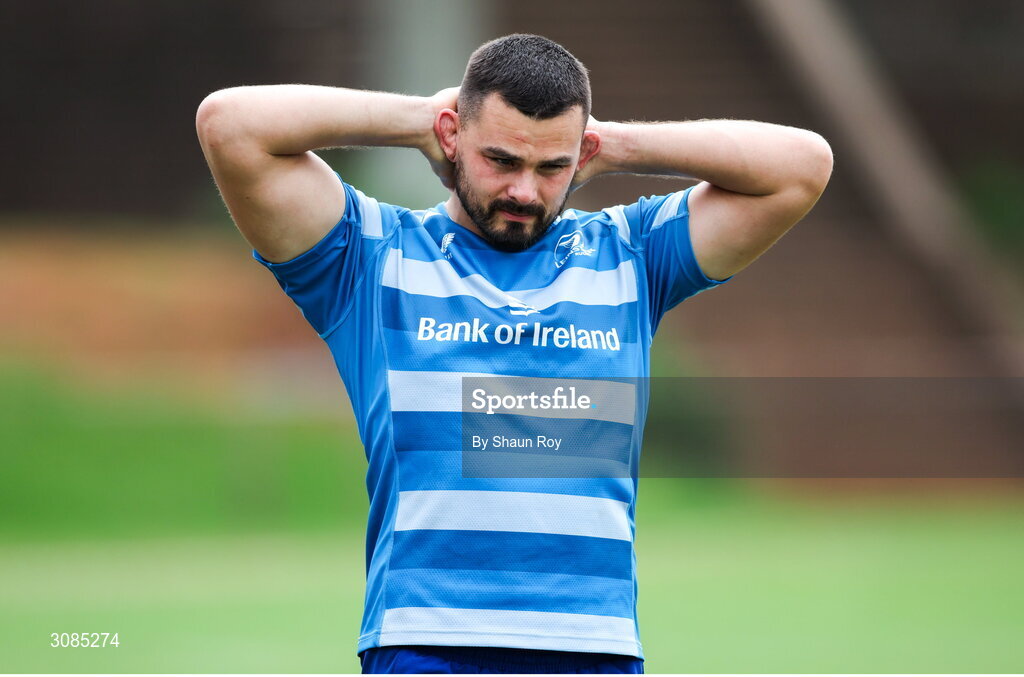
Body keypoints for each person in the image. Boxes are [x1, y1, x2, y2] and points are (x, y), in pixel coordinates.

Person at [196, 33, 832, 675]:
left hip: (593, 647)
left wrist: (612, 146)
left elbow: (800, 167)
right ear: (453, 139)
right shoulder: (372, 256)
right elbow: (231, 125)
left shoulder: (632, 253)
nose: (525, 191)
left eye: (551, 166)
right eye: (500, 159)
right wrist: (418, 119)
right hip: (428, 642)